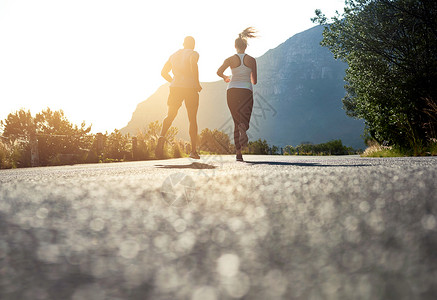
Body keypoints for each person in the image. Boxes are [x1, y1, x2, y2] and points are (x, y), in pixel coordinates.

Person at [155, 36, 202, 159]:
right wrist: (196, 83)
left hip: (175, 87)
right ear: (193, 44)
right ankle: (193, 151)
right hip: (190, 88)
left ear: (183, 44)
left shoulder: (174, 55)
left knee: (170, 115)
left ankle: (161, 137)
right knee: (192, 119)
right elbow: (193, 64)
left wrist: (173, 81)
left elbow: (163, 72)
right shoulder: (194, 53)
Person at [217, 27, 257, 162]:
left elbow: (219, 71)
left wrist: (225, 77)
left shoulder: (230, 59)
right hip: (246, 91)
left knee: (235, 122)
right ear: (246, 46)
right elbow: (255, 81)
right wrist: (247, 75)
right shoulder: (252, 60)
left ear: (235, 46)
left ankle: (238, 153)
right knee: (244, 121)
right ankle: (244, 127)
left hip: (232, 90)